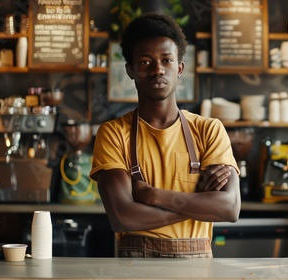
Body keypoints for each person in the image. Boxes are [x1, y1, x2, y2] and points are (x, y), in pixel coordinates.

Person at [89, 12, 241, 258]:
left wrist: (154, 195)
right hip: (136, 270)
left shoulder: (209, 130)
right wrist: (200, 204)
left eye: (167, 60)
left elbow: (230, 209)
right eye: (145, 62)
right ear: (130, 70)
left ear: (179, 68)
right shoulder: (113, 134)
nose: (157, 69)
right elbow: (122, 217)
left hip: (197, 272)